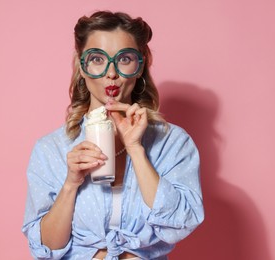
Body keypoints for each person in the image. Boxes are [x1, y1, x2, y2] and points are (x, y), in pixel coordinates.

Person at [22, 11, 204, 260]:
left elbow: (180, 224)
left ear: (140, 66)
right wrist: (71, 183)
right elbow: (48, 248)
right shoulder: (51, 148)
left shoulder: (173, 143)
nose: (111, 73)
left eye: (124, 58)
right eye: (97, 59)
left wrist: (136, 150)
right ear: (82, 67)